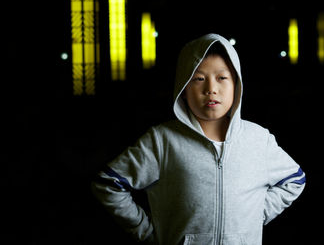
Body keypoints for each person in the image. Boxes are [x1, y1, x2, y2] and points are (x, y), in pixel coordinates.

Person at [92, 33, 306, 245]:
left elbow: (294, 181)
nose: (211, 89)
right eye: (199, 79)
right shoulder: (162, 141)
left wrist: (254, 216)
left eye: (222, 78)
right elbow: (108, 184)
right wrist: (147, 233)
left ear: (236, 85)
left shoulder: (259, 140)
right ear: (184, 89)